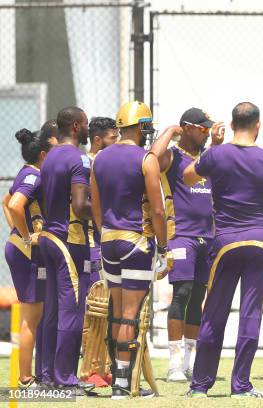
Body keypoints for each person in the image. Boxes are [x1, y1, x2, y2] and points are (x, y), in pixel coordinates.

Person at [184, 102, 263, 398]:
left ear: (230, 125)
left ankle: (200, 385)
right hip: (259, 242)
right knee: (250, 314)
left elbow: (189, 176)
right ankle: (240, 386)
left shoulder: (216, 155)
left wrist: (212, 149)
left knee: (214, 312)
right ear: (258, 125)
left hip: (225, 240)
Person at [91, 100, 170, 399]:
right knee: (129, 315)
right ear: (141, 127)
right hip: (136, 240)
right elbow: (159, 211)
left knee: (116, 311)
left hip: (108, 239)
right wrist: (163, 246)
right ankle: (123, 383)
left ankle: (119, 381)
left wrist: (105, 232)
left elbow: (96, 205)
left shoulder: (99, 158)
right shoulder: (146, 159)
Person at [150, 107, 223, 382]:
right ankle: (174, 363)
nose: (205, 133)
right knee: (182, 292)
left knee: (198, 297)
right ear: (187, 127)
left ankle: (191, 362)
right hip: (181, 235)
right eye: (202, 128)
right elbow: (152, 159)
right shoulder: (174, 156)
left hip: (208, 236)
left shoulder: (205, 160)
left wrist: (215, 144)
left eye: (208, 129)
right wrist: (169, 131)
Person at [38, 107, 94, 394]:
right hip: (68, 241)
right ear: (76, 126)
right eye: (85, 124)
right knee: (71, 310)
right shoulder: (78, 158)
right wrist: (105, 214)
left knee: (52, 311)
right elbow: (80, 205)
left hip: (48, 237)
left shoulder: (50, 158)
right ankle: (65, 379)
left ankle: (47, 375)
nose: (88, 128)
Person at [3, 125, 57, 389]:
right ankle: (25, 378)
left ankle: (32, 375)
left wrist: (16, 232)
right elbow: (14, 205)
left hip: (23, 249)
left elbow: (5, 201)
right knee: (31, 317)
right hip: (27, 253)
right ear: (44, 155)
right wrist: (24, 237)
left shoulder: (28, 173)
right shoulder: (34, 176)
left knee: (35, 314)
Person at [86, 117, 118, 289]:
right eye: (113, 138)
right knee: (96, 297)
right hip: (92, 240)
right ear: (98, 140)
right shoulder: (85, 164)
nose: (117, 142)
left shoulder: (112, 164)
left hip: (113, 238)